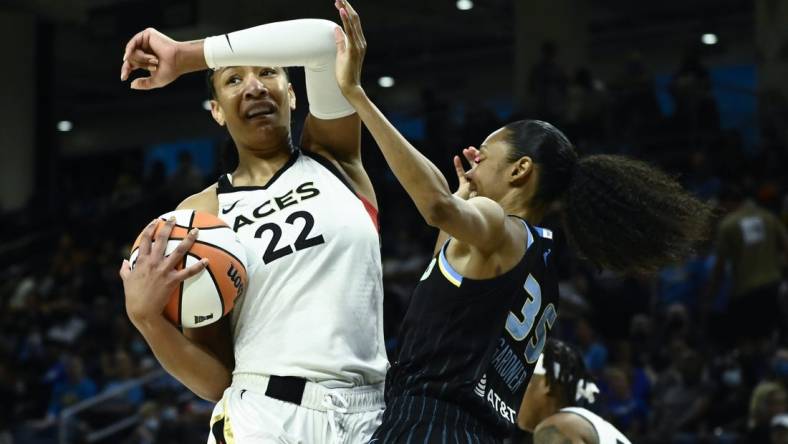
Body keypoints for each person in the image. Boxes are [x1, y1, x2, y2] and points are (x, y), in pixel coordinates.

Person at [332, 2, 711, 441]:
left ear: (520, 170)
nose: (472, 161)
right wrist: (463, 195)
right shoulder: (541, 263)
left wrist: (356, 94)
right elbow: (442, 278)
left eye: (484, 155)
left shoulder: (499, 223)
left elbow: (435, 207)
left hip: (428, 422)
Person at [118, 14, 388, 443]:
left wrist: (185, 56)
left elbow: (327, 40)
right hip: (264, 416)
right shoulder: (199, 214)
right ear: (217, 112)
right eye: (233, 80)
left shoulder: (335, 158)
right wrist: (147, 318)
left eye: (268, 71)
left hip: (372, 415)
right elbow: (213, 379)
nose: (255, 86)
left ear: (293, 94)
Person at [517, 339, 631, 444]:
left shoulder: (559, 426)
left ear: (546, 384)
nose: (516, 393)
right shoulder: (580, 422)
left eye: (524, 384)